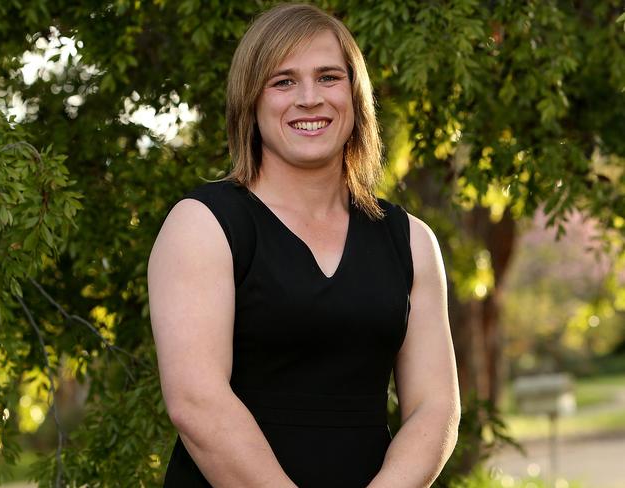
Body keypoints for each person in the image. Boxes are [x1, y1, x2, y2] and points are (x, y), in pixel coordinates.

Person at [148, 3, 460, 487]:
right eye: (283, 81)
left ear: (356, 98)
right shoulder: (203, 225)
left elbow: (434, 407)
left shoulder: (411, 240)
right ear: (251, 102)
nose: (309, 98)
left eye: (329, 77)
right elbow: (196, 401)